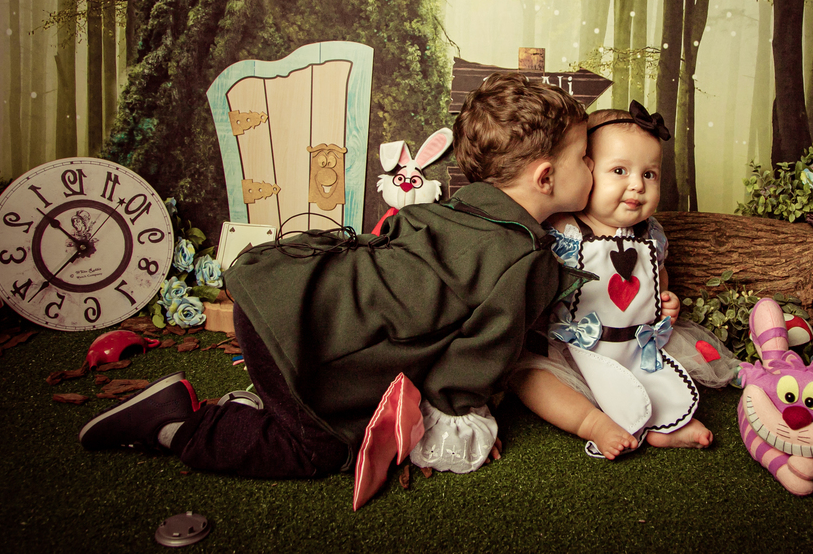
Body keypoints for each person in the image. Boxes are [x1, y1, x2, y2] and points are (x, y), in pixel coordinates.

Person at [78, 72, 594, 492]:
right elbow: (470, 367)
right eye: (586, 157)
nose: (594, 168)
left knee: (331, 382)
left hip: (282, 293)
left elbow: (392, 247)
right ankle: (175, 427)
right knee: (319, 448)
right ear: (546, 177)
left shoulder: (448, 210)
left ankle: (257, 401)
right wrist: (457, 425)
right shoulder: (524, 257)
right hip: (301, 330)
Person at [511, 101, 735, 459]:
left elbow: (656, 274)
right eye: (619, 170)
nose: (637, 185)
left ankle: (670, 425)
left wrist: (666, 298)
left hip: (633, 345)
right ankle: (592, 422)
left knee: (661, 376)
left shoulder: (651, 233)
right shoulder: (563, 228)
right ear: (586, 171)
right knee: (528, 378)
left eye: (650, 174)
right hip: (571, 351)